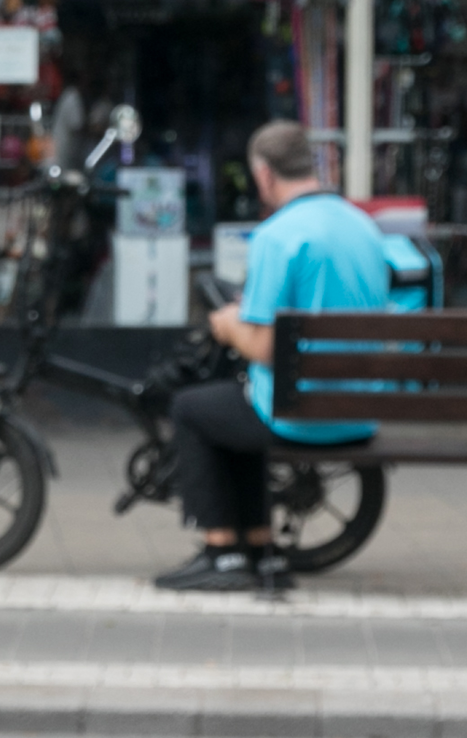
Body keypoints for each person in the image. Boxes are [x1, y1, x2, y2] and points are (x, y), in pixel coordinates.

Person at [156, 118, 402, 595]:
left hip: (301, 413)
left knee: (192, 409)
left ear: (265, 175)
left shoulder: (278, 235)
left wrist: (228, 327)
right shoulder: (363, 225)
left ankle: (222, 551)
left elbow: (265, 347)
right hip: (359, 412)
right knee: (237, 403)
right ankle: (259, 547)